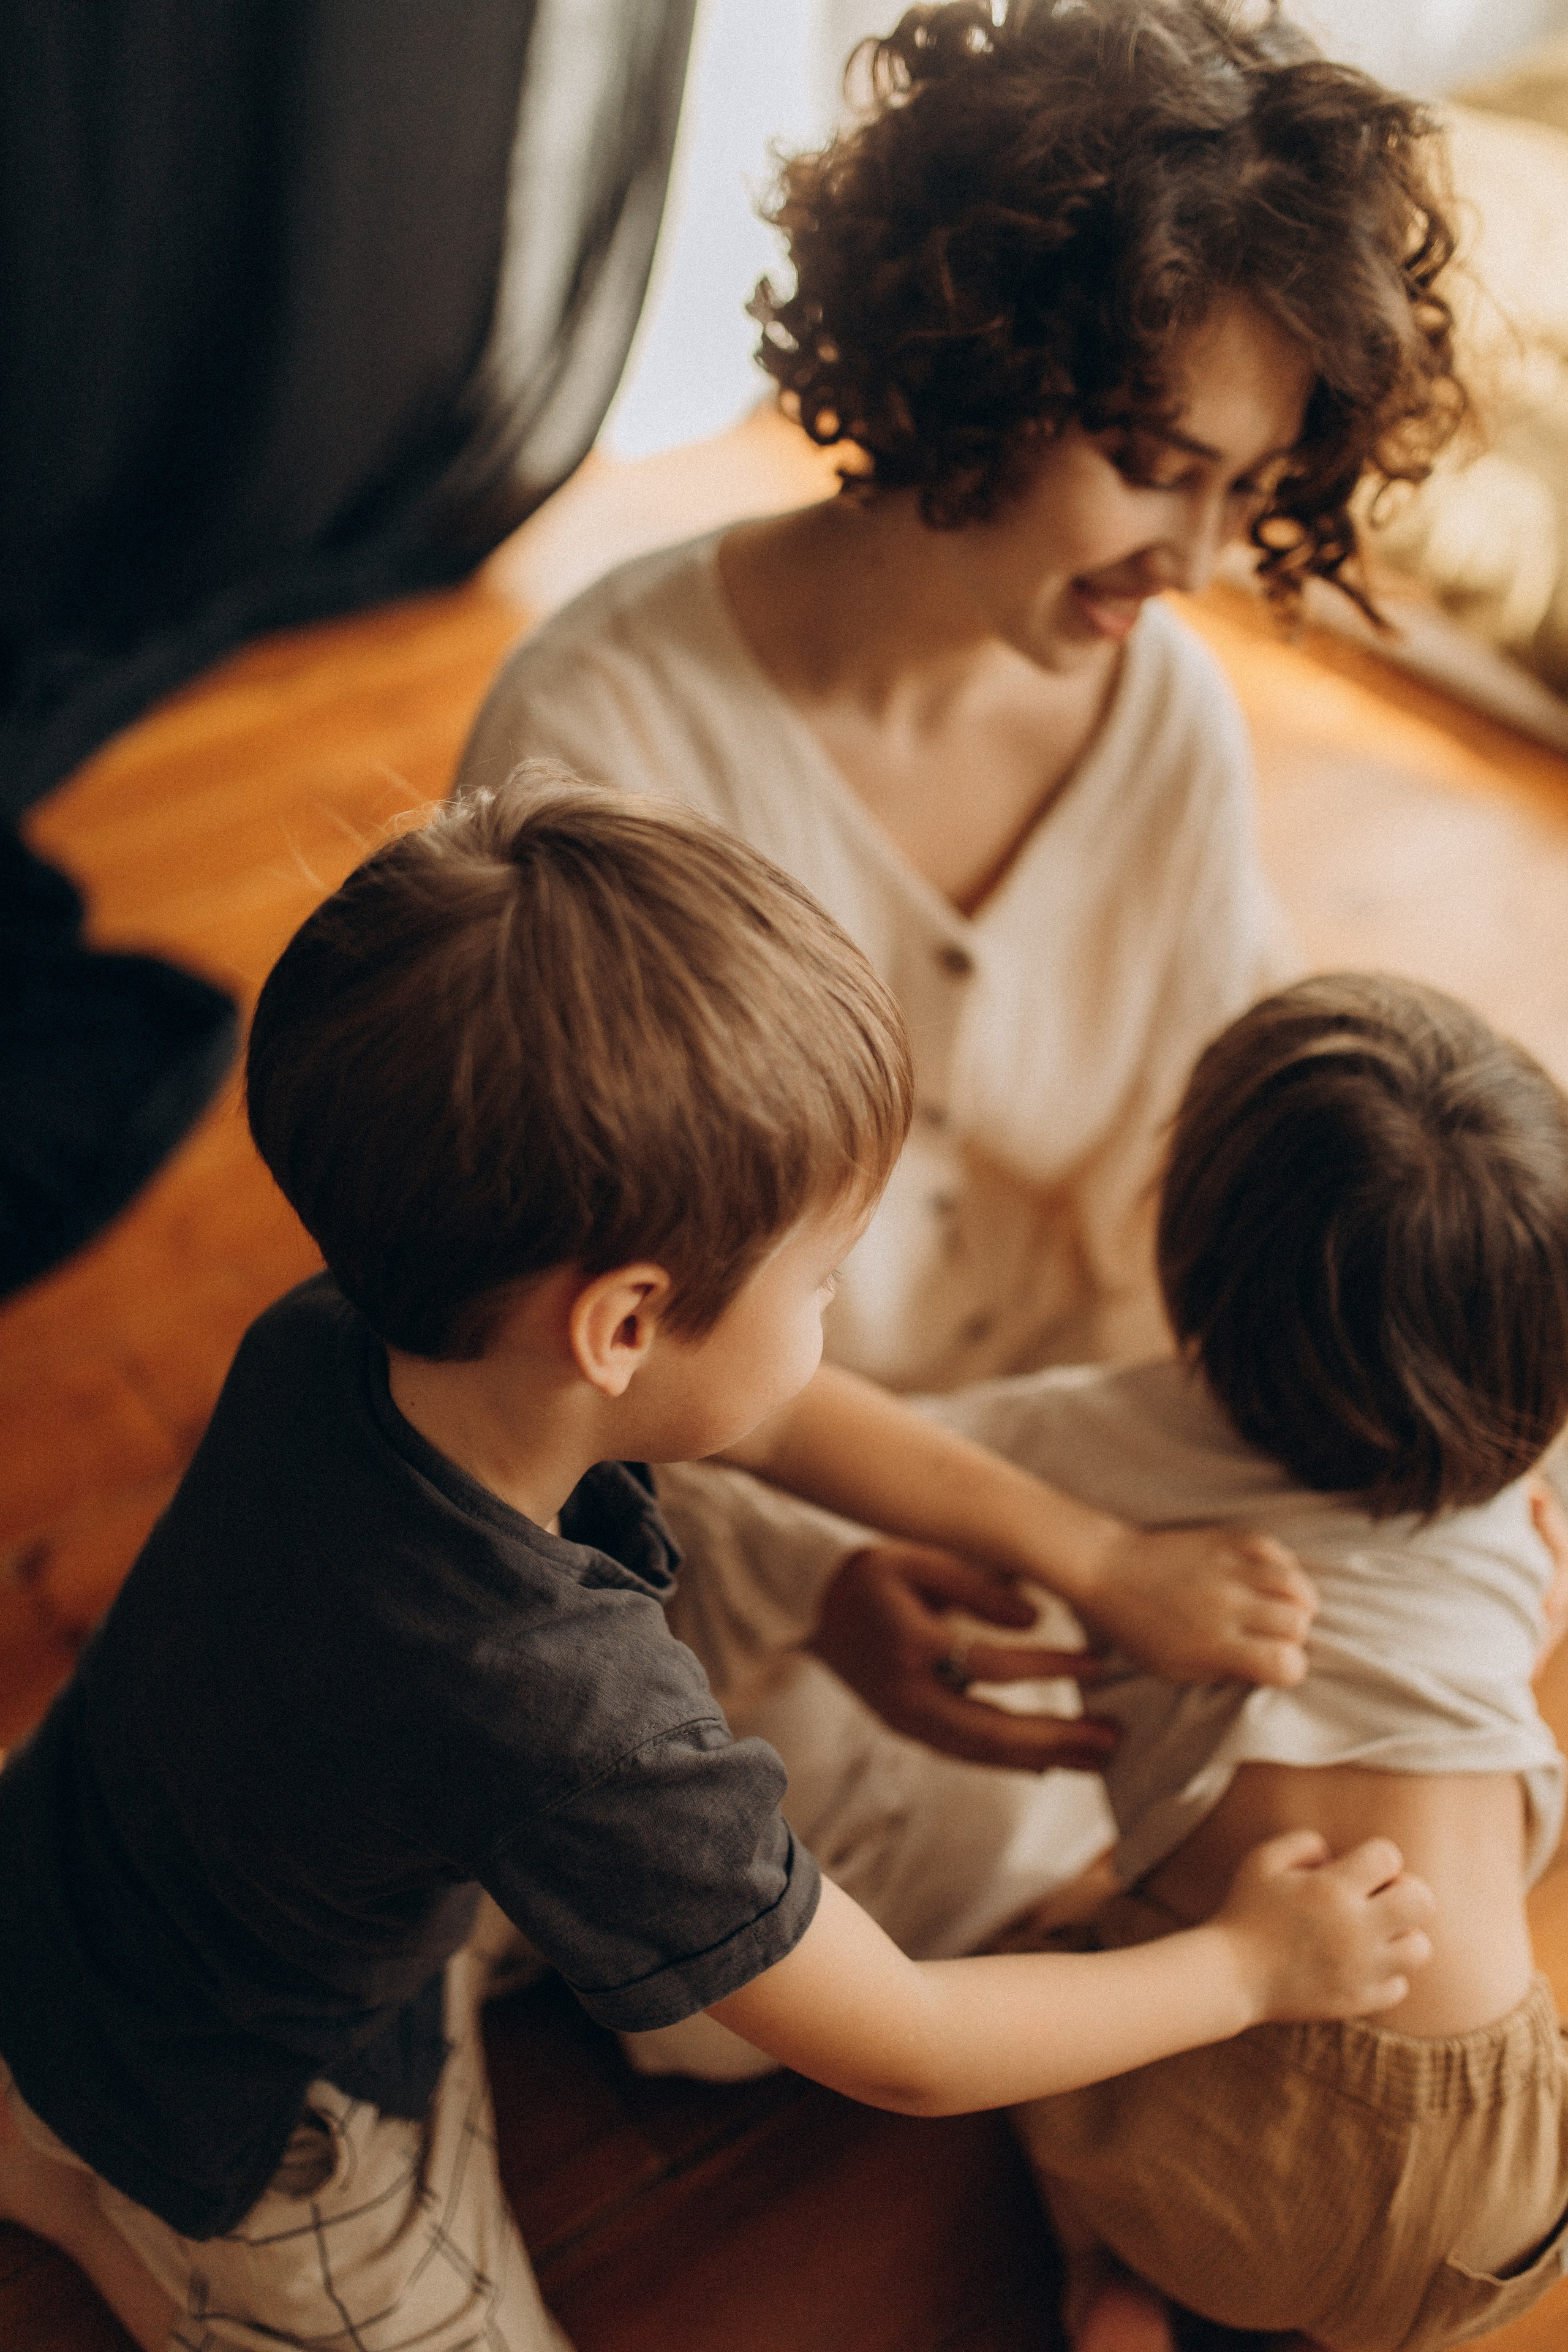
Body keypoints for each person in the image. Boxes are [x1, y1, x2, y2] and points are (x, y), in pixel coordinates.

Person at [0, 784, 1434, 2352]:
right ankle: (108, 2187)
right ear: (619, 1325)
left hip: (73, 1871)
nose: (829, 1312)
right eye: (822, 1275)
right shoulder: (558, 1713)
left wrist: (1088, 1553)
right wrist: (1245, 1964)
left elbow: (775, 1410)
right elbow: (903, 2044)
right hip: (258, 2111)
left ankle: (58, 2140)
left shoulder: (347, 1331)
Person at [454, 0, 1470, 2004]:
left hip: (1097, 1504)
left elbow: (1213, 1122)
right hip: (731, 1539)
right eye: (1147, 464)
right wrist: (820, 1580)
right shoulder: (603, 742)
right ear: (973, 372)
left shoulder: (1156, 707)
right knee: (736, 1945)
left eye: (1243, 484)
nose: (1188, 557)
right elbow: (570, 1352)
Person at [911, 973, 1568, 2352]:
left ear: (1186, 1249)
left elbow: (821, 1435)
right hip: (1509, 2182)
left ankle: (1105, 2276)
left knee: (1045, 1941)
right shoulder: (1520, 1473)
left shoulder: (1102, 1433)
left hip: (1223, 2188)